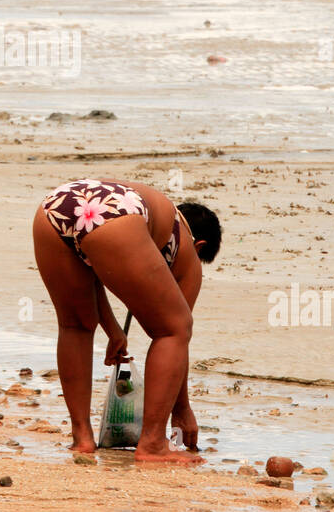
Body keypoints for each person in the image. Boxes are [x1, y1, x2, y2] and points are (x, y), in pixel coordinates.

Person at [32, 178, 221, 462]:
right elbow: (177, 336)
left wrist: (114, 331)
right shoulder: (185, 246)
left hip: (56, 205)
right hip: (116, 211)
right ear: (201, 246)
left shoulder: (154, 214)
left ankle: (82, 438)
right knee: (175, 328)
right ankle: (153, 445)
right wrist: (181, 409)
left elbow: (92, 270)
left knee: (75, 325)